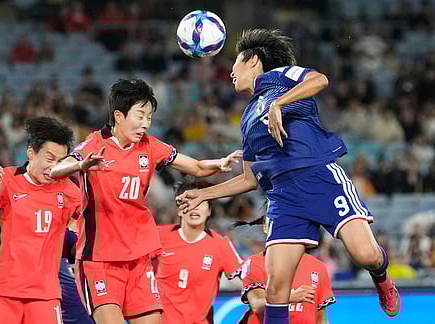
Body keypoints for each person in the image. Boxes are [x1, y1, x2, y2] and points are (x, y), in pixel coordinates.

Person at [176, 29, 400, 324]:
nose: (230, 73)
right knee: (276, 290)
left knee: (366, 255)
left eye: (235, 65)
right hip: (283, 197)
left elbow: (319, 80)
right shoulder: (246, 120)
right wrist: (203, 193)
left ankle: (382, 277)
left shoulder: (280, 77)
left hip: (319, 177)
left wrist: (279, 104)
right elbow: (249, 179)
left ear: (254, 60)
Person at [50, 79, 242, 324]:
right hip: (100, 262)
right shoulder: (94, 145)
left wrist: (218, 163)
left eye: (149, 118)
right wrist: (81, 165)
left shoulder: (150, 146)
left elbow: (195, 166)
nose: (145, 124)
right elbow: (57, 170)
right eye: (140, 116)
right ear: (119, 116)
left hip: (139, 259)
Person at [0, 116, 82, 324]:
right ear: (31, 152)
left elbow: (91, 229)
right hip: (0, 292)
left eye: (60, 161)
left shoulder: (69, 191)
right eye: (49, 159)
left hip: (46, 298)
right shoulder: (4, 179)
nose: (54, 167)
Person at [156, 178, 243, 324]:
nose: (194, 207)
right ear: (179, 209)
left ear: (209, 210)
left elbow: (247, 276)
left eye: (200, 202)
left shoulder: (220, 244)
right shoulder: (158, 237)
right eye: (188, 201)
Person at [233, 218, 335, 324]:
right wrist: (289, 297)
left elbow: (320, 318)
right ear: (266, 228)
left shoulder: (318, 266)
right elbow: (257, 305)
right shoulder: (254, 262)